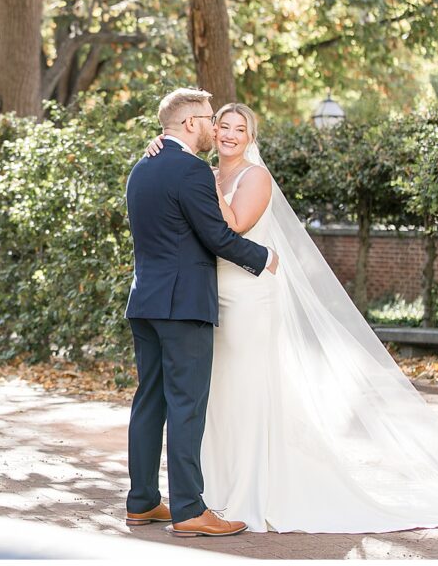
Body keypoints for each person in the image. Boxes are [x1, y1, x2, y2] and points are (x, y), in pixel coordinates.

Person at [140, 101, 438, 533]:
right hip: (204, 295)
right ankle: (209, 490)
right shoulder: (197, 171)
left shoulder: (251, 177)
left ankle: (250, 488)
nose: (228, 134)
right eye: (221, 125)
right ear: (207, 129)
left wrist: (189, 171)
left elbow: (233, 225)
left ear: (251, 138)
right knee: (212, 397)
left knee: (245, 390)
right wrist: (170, 154)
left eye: (239, 129)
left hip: (246, 297)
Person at [123, 88, 279, 538]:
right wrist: (262, 257)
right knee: (187, 406)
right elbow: (216, 235)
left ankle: (142, 502)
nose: (216, 127)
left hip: (146, 301)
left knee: (149, 401)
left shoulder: (142, 168)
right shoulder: (192, 170)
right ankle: (189, 509)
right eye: (211, 119)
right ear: (191, 124)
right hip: (183, 304)